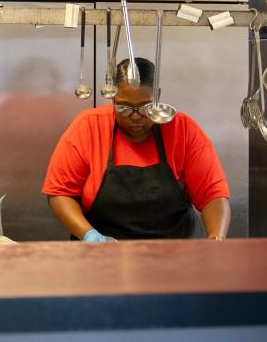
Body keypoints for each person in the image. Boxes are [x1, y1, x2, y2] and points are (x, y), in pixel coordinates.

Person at [42, 57, 230, 241]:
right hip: (102, 255)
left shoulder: (183, 129)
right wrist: (90, 236)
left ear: (158, 96)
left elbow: (213, 194)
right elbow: (60, 193)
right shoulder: (89, 127)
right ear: (113, 98)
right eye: (124, 108)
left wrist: (216, 239)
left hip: (174, 253)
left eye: (145, 107)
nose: (134, 117)